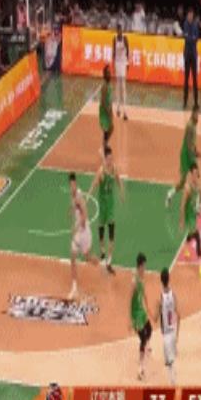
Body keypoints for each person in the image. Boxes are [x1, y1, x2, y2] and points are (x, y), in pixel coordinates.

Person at [88, 146, 124, 274]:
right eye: (108, 158)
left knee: (112, 229)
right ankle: (103, 251)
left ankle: (109, 259)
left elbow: (119, 180)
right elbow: (94, 184)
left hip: (110, 205)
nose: (110, 160)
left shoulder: (114, 169)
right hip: (102, 204)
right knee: (101, 228)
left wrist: (121, 192)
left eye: (111, 158)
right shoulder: (101, 171)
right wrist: (88, 196)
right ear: (105, 158)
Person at [68, 172, 99, 300]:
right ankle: (74, 288)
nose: (72, 186)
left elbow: (85, 215)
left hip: (84, 232)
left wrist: (76, 227)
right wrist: (71, 210)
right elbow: (75, 208)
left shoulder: (79, 197)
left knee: (88, 258)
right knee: (73, 257)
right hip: (78, 234)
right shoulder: (73, 195)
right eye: (70, 185)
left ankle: (100, 264)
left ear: (76, 183)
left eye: (73, 184)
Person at [165, 107, 201, 206]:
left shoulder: (194, 125)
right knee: (183, 182)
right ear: (193, 113)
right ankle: (170, 194)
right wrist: (195, 154)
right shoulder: (190, 126)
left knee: (196, 177)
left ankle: (197, 202)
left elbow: (193, 142)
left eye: (198, 114)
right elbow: (189, 143)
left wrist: (195, 151)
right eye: (197, 114)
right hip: (186, 155)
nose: (198, 116)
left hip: (190, 154)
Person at [179, 163, 201, 281]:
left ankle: (185, 248)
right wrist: (181, 220)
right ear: (190, 174)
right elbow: (182, 205)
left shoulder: (197, 185)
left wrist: (200, 206)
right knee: (197, 237)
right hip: (188, 217)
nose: (196, 175)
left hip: (193, 215)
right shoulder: (187, 188)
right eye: (194, 173)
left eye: (197, 173)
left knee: (191, 235)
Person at [154, 268, 181, 385]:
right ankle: (173, 378)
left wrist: (152, 308)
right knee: (171, 359)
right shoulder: (173, 294)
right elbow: (179, 315)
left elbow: (155, 319)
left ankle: (173, 383)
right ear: (169, 279)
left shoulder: (161, 298)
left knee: (169, 362)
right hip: (173, 330)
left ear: (161, 280)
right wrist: (177, 334)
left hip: (166, 334)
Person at [130, 253, 152, 381]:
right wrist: (129, 319)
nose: (145, 268)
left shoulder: (141, 279)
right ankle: (140, 369)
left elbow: (144, 294)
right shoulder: (134, 281)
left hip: (141, 311)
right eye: (144, 266)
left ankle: (146, 348)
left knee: (149, 329)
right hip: (135, 314)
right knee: (143, 339)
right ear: (140, 266)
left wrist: (148, 308)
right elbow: (128, 299)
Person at [183, 8, 199, 109]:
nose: (190, 16)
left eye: (191, 15)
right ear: (187, 15)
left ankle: (196, 102)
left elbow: (196, 38)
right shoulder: (185, 24)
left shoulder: (195, 24)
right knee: (186, 79)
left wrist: (192, 38)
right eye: (189, 14)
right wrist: (191, 38)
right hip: (187, 55)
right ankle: (185, 101)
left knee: (195, 79)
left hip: (193, 55)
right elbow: (187, 38)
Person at [113, 23, 129, 120]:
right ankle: (118, 108)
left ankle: (125, 111)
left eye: (120, 30)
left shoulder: (125, 38)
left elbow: (128, 51)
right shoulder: (114, 39)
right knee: (117, 87)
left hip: (123, 63)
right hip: (117, 63)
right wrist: (113, 65)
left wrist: (128, 63)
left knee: (123, 87)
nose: (119, 32)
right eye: (118, 30)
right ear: (117, 31)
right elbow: (113, 52)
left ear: (121, 30)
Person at [99, 65, 114, 152]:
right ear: (105, 74)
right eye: (108, 73)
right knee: (108, 128)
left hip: (108, 108)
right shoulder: (104, 86)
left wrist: (111, 109)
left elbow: (110, 99)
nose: (110, 74)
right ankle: (104, 147)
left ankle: (105, 145)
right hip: (104, 110)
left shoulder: (109, 85)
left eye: (110, 72)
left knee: (110, 128)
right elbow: (103, 100)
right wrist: (107, 111)